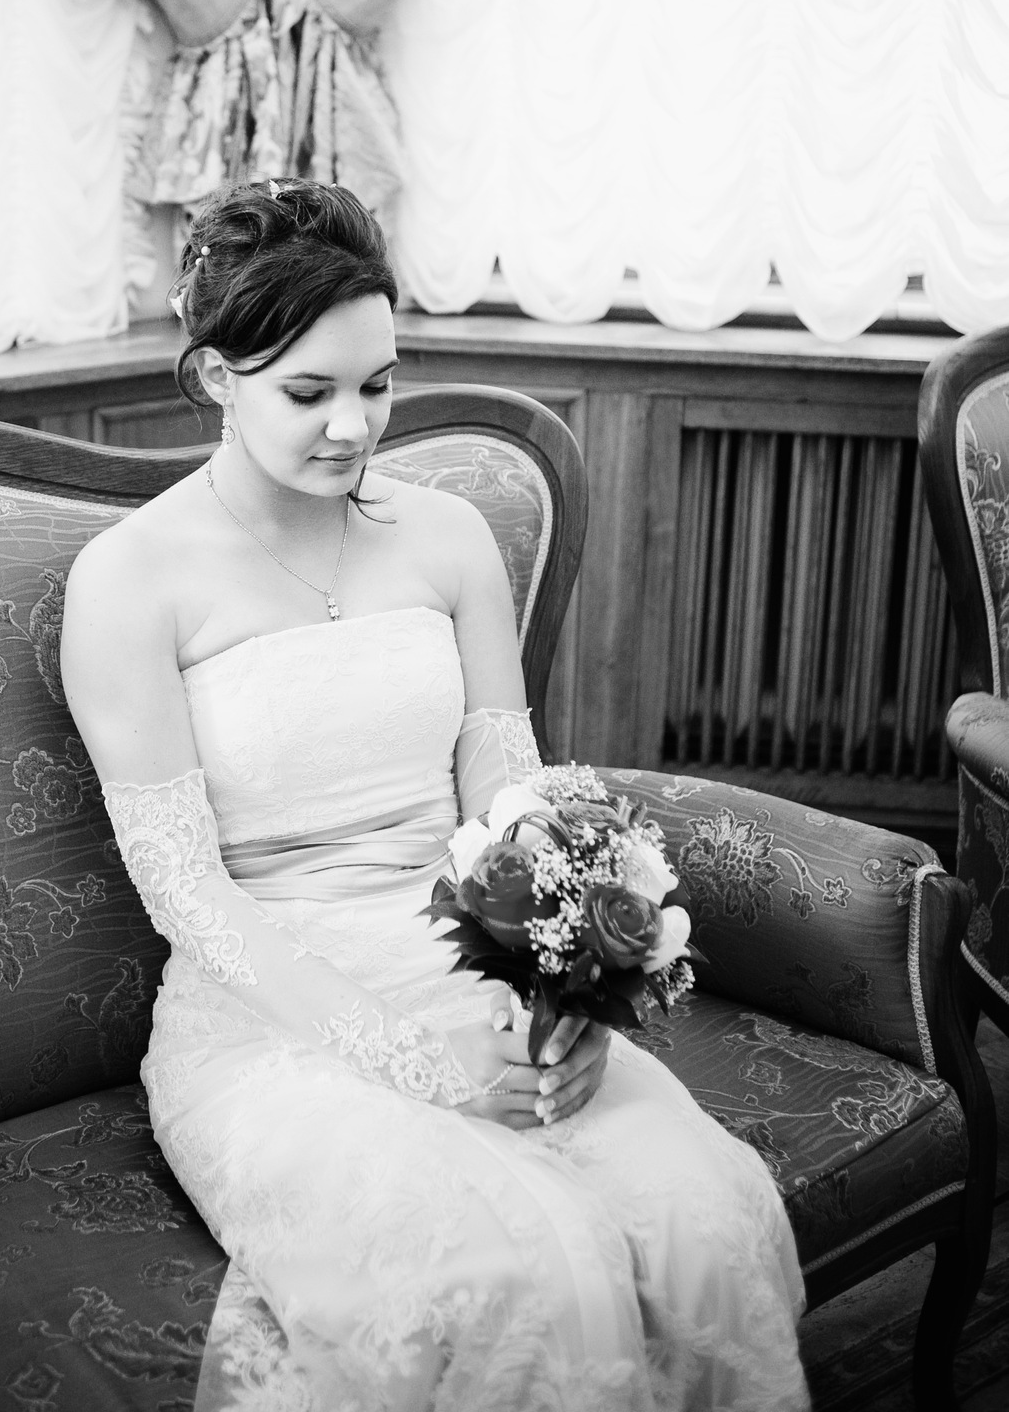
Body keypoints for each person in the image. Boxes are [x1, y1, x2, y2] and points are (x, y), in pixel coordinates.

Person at [60, 178, 808, 1412]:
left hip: (466, 961)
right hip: (270, 1014)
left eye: (377, 383)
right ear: (216, 377)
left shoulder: (449, 535)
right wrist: (411, 1056)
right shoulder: (128, 580)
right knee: (525, 1275)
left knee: (704, 1221)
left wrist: (562, 991)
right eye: (309, 392)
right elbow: (185, 889)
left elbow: (507, 794)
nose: (352, 425)